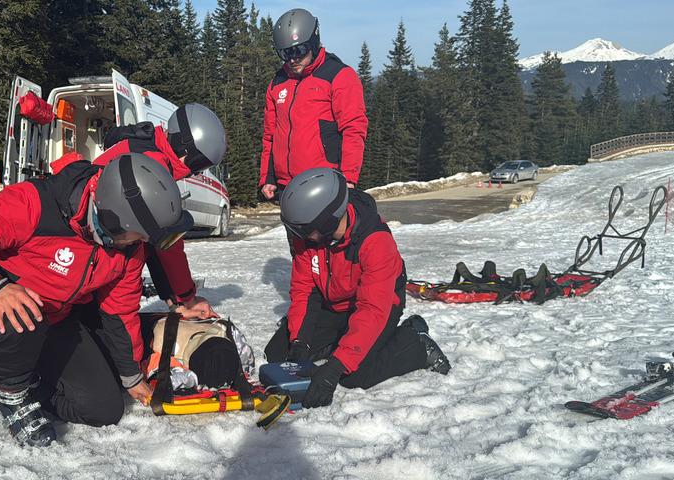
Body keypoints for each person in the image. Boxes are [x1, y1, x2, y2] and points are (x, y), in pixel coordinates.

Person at [0, 153, 193, 447]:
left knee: (103, 409)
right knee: (25, 319)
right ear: (112, 219)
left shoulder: (129, 249)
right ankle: (6, 389)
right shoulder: (34, 206)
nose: (139, 244)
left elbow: (119, 310)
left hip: (53, 317)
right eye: (137, 237)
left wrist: (131, 375)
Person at [264, 168, 451, 409]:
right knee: (279, 354)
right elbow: (304, 291)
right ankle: (339, 340)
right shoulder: (310, 237)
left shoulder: (375, 241)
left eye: (302, 230)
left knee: (354, 375)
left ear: (327, 221)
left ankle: (414, 343)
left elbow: (372, 309)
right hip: (335, 303)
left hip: (379, 306)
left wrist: (336, 366)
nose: (297, 238)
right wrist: (300, 341)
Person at [91, 103, 227, 319]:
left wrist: (174, 298)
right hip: (102, 245)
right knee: (118, 317)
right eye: (197, 163)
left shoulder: (145, 143)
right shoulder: (154, 165)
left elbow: (154, 242)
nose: (194, 172)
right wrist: (187, 298)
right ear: (184, 147)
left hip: (100, 235)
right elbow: (167, 243)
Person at [259, 8, 368, 202]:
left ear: (313, 43)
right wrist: (268, 177)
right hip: (287, 187)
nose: (292, 59)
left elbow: (353, 128)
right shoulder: (278, 83)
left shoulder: (338, 76)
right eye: (285, 53)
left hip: (325, 183)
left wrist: (349, 177)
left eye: (299, 51)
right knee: (295, 233)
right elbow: (270, 136)